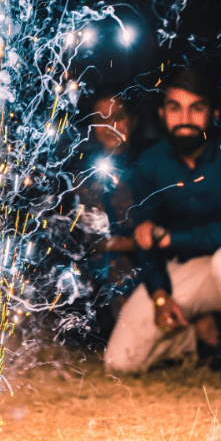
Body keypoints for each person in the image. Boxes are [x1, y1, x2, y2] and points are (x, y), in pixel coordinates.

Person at [103, 69, 221, 381]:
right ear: (162, 113)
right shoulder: (150, 164)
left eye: (197, 108)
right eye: (175, 108)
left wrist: (171, 238)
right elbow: (146, 237)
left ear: (214, 114)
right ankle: (200, 336)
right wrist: (159, 295)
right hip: (185, 271)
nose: (185, 119)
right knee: (119, 362)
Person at [79, 94, 145, 337]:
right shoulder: (83, 172)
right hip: (99, 264)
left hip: (143, 259)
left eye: (117, 117)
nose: (109, 126)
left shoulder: (148, 166)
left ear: (133, 120)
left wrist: (130, 242)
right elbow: (86, 235)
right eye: (101, 119)